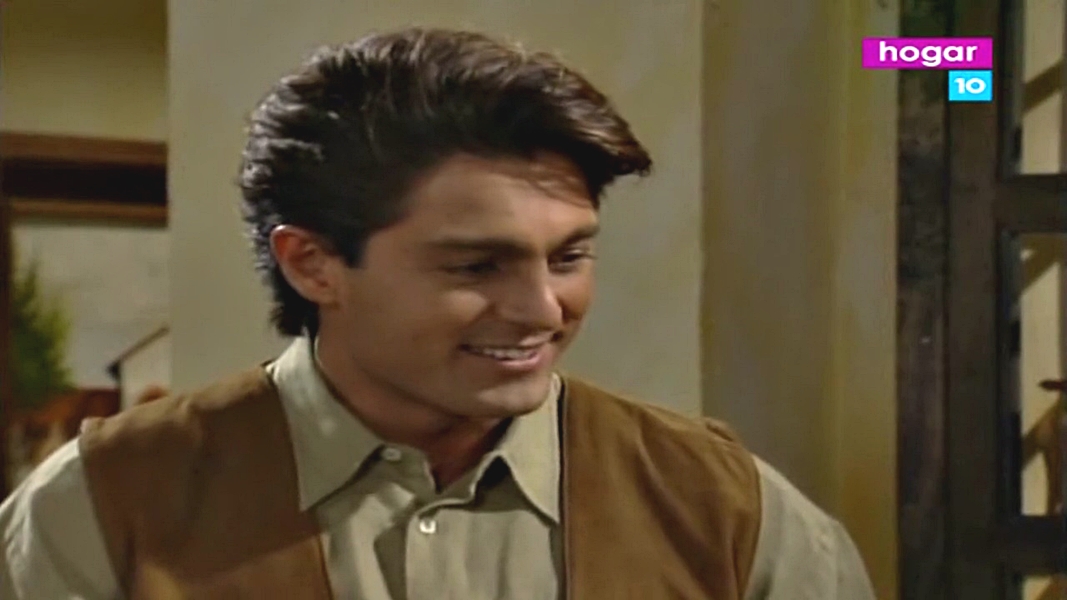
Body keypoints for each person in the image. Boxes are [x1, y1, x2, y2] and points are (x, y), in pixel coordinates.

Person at [0, 28, 876, 599]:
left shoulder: (725, 508)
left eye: (568, 256)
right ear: (312, 263)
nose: (542, 310)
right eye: (476, 265)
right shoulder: (103, 505)